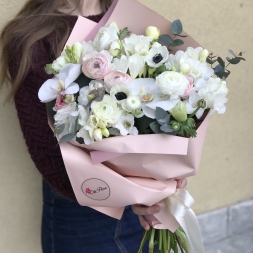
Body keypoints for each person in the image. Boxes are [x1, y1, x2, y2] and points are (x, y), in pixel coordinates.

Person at [0, 0, 161, 252]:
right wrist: (134, 191)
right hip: (80, 212)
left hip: (146, 207)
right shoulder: (31, 36)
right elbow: (49, 157)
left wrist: (164, 178)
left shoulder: (131, 18)